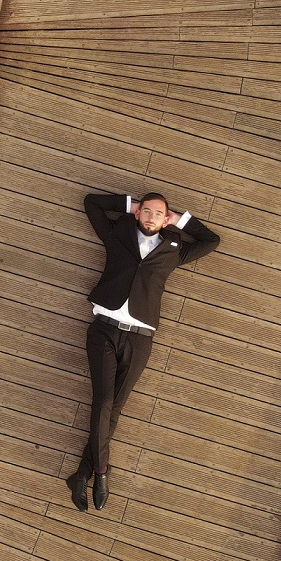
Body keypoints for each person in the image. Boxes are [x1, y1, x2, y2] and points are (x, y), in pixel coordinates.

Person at [67, 190, 220, 511]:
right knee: (104, 401)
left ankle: (81, 475)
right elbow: (91, 203)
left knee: (115, 408)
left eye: (158, 213)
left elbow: (211, 241)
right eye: (147, 211)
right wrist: (130, 205)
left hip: (141, 339)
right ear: (138, 213)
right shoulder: (116, 234)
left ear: (165, 219)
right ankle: (101, 472)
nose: (152, 217)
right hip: (104, 331)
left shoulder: (174, 250)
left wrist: (179, 220)